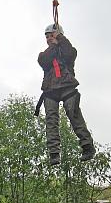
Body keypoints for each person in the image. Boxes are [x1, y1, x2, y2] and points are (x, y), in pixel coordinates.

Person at [36, 23, 95, 165]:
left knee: (73, 113)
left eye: (52, 35)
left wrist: (60, 39)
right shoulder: (44, 55)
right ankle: (54, 153)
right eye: (47, 36)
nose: (49, 38)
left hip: (67, 87)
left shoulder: (68, 52)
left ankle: (87, 147)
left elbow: (70, 53)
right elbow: (44, 61)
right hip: (50, 91)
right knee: (51, 120)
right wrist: (55, 45)